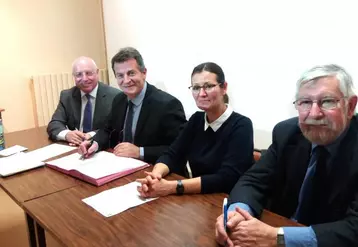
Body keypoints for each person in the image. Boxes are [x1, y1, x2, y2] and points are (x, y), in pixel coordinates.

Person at [215, 64, 358, 247]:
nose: (314, 113)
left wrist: (278, 236)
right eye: (305, 102)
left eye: (328, 101)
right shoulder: (287, 133)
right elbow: (253, 181)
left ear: (350, 105)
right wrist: (236, 215)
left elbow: (354, 227)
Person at [136, 62, 254, 197]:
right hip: (198, 198)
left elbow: (227, 178)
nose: (202, 93)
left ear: (224, 87)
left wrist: (172, 187)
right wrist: (155, 176)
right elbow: (172, 154)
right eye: (196, 88)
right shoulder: (196, 120)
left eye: (209, 86)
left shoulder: (241, 125)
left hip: (227, 202)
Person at [78, 47, 186, 164]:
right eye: (120, 75)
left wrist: (140, 152)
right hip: (123, 166)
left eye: (131, 73)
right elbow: (107, 130)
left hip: (156, 171)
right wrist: (94, 143)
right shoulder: (119, 99)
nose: (126, 80)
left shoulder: (167, 104)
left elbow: (180, 149)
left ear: (144, 73)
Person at [47, 56, 120, 145]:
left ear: (97, 73)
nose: (84, 79)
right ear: (74, 76)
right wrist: (67, 134)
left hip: (101, 147)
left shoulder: (115, 96)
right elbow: (55, 123)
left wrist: (91, 135)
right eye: (79, 74)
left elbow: (115, 129)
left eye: (88, 73)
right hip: (75, 147)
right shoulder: (67, 96)